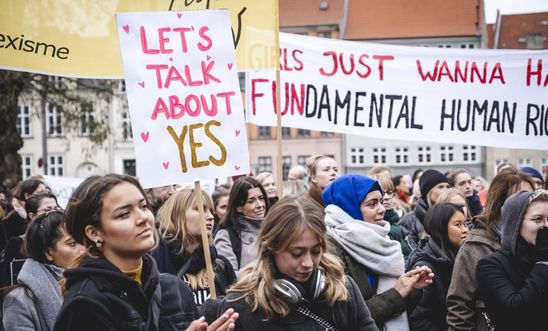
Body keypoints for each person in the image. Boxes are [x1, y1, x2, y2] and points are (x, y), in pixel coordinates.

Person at [54, 174, 237, 331]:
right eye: (124, 214)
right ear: (94, 233)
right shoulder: (85, 303)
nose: (142, 217)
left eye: (143, 206)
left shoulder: (172, 287)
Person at [203, 198, 379, 330]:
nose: (308, 263)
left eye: (316, 251)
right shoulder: (240, 305)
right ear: (271, 249)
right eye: (296, 253)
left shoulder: (344, 289)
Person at [322, 174, 433, 330]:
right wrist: (396, 294)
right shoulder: (329, 249)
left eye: (381, 202)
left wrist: (411, 290)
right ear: (349, 207)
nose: (382, 209)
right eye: (372, 204)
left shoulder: (380, 240)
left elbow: (396, 310)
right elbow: (344, 317)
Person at [446, 169, 535, 331]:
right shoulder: (475, 247)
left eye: (531, 198)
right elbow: (459, 307)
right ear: (500, 202)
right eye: (519, 198)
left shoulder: (537, 241)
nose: (527, 204)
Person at [476, 190, 548, 331]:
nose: (546, 226)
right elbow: (514, 311)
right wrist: (542, 262)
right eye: (538, 219)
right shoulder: (491, 265)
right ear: (516, 224)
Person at [153, 187, 236, 306]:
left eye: (211, 211)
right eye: (200, 209)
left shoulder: (221, 265)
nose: (211, 217)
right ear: (178, 215)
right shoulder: (157, 263)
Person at [2, 211, 84, 331]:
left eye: (83, 240)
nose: (83, 249)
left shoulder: (91, 283)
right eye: (72, 244)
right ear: (49, 252)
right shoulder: (20, 300)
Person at [406, 203, 469, 331]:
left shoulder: (461, 255)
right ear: (440, 228)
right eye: (458, 225)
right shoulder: (425, 267)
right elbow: (419, 319)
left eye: (465, 224)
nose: (465, 230)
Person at [1, 192, 61, 287]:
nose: (54, 213)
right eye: (48, 210)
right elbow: (11, 280)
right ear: (32, 216)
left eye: (56, 208)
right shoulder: (18, 243)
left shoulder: (63, 241)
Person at [214, 177, 269, 273]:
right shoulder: (227, 236)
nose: (260, 205)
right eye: (251, 201)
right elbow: (230, 277)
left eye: (261, 198)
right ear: (239, 207)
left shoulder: (275, 229)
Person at [399, 169, 450, 249]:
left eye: (447, 187)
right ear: (428, 192)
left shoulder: (453, 215)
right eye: (440, 187)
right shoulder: (408, 221)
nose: (446, 190)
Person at [371, 173, 410, 258]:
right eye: (382, 192)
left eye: (389, 192)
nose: (386, 197)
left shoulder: (395, 222)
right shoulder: (374, 228)